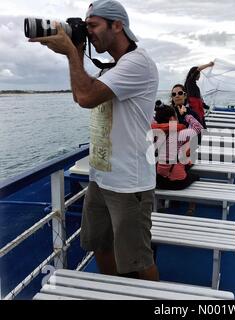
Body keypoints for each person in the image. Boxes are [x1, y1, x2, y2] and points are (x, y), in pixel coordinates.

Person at [29, 0, 159, 280]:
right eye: (85, 27)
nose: (88, 33)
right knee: (100, 246)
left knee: (137, 259)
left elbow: (86, 97)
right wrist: (73, 53)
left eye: (93, 25)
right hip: (101, 177)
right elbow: (80, 96)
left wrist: (71, 53)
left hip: (129, 182)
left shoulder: (138, 62)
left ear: (117, 25)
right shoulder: (111, 67)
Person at [152, 104, 203, 215]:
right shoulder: (180, 134)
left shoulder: (153, 133)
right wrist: (185, 115)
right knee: (195, 176)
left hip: (157, 181)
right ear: (172, 119)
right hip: (177, 183)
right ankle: (191, 208)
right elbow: (198, 127)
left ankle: (160, 204)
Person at [184, 61, 214, 126]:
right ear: (193, 74)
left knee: (201, 128)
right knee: (198, 128)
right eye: (199, 74)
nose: (199, 75)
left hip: (198, 109)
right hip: (195, 109)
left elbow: (198, 99)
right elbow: (198, 69)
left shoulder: (192, 84)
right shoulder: (190, 81)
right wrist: (209, 64)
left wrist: (206, 106)